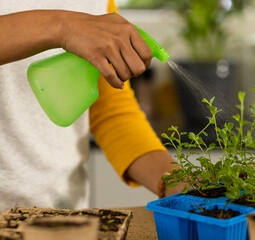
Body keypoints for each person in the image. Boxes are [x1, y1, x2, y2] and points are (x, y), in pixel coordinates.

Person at [0, 0, 180, 211]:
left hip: (61, 215)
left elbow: (111, 111)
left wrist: (177, 183)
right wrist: (60, 26)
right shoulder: (66, 23)